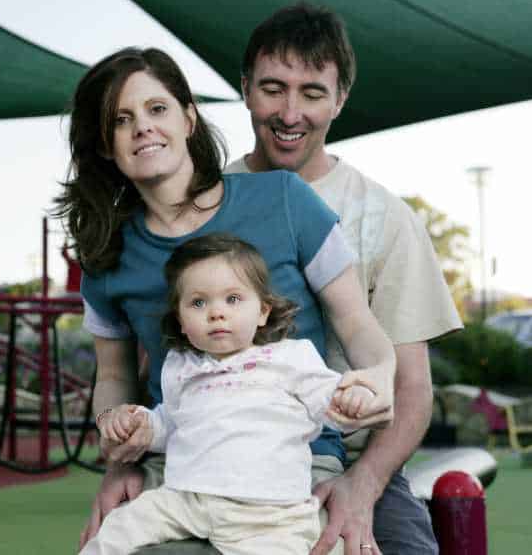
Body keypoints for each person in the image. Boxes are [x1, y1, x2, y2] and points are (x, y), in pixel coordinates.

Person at [54, 46, 396, 555]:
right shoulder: (106, 255)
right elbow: (114, 378)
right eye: (121, 120)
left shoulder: (284, 199)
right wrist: (116, 435)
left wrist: (380, 374)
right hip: (180, 463)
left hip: (289, 463)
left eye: (157, 108)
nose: (143, 127)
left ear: (188, 117)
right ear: (104, 144)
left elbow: (356, 322)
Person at [225, 2, 463, 554]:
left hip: (348, 457)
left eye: (311, 92)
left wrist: (363, 485)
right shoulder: (203, 201)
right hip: (217, 455)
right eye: (273, 88)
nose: (290, 112)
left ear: (340, 99)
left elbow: (411, 388)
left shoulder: (383, 217)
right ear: (245, 89)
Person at [80, 234, 389, 555]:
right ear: (182, 322)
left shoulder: (290, 358)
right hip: (186, 499)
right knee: (117, 530)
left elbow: (330, 402)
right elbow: (170, 424)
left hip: (269, 513)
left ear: (262, 312)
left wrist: (353, 401)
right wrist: (139, 425)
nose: (216, 313)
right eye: (198, 303)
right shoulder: (181, 366)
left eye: (233, 299)